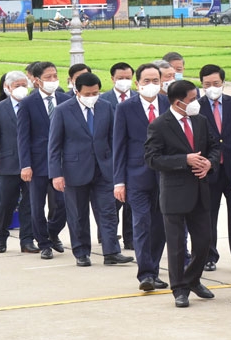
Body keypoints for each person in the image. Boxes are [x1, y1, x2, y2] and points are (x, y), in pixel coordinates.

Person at [144, 80, 220, 308]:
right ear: (178, 103)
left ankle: (192, 279)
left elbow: (215, 146)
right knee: (177, 245)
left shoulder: (200, 120)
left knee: (204, 242)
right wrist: (184, 160)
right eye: (192, 99)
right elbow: (152, 158)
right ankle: (179, 288)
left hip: (200, 189)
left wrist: (209, 163)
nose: (196, 102)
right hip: (175, 194)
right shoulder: (159, 125)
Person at [48, 73, 132, 267]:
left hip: (104, 169)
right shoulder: (63, 110)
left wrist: (116, 166)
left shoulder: (106, 107)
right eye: (88, 93)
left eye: (95, 92)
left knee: (108, 212)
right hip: (74, 170)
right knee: (78, 214)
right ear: (77, 92)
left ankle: (111, 252)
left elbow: (114, 139)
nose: (92, 96)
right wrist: (56, 174)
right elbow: (54, 145)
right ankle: (81, 252)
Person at [114, 63, 171, 292]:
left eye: (155, 81)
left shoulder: (169, 105)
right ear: (137, 84)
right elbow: (119, 145)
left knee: (160, 226)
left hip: (165, 176)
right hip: (136, 176)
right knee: (142, 223)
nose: (151, 85)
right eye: (146, 81)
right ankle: (145, 273)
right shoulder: (126, 108)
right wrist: (119, 181)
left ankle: (154, 270)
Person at [198, 64, 231, 272]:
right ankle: (209, 256)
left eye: (216, 84)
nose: (212, 87)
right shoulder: (196, 107)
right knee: (208, 216)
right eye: (207, 84)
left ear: (223, 83)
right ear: (201, 85)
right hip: (208, 170)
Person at [17, 61, 69, 259]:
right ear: (37, 81)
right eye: (48, 77)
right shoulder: (28, 104)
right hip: (37, 163)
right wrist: (25, 165)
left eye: (55, 76)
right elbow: (22, 137)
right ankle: (44, 243)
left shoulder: (65, 99)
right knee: (37, 205)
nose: (52, 80)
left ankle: (52, 232)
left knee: (62, 205)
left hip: (62, 163)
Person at [0, 71, 34, 252]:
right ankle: (1, 237)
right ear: (7, 88)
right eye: (17, 86)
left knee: (29, 205)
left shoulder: (32, 105)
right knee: (6, 203)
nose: (21, 89)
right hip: (8, 163)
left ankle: (27, 240)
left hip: (31, 164)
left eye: (24, 85)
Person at [100, 62, 136, 250]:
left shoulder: (138, 98)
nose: (124, 81)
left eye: (128, 78)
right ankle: (108, 237)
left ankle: (131, 239)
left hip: (135, 158)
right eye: (120, 78)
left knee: (133, 202)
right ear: (112, 78)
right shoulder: (103, 100)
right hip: (112, 158)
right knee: (112, 202)